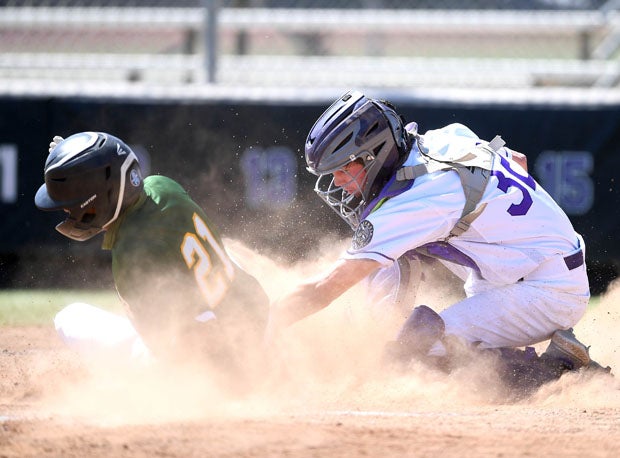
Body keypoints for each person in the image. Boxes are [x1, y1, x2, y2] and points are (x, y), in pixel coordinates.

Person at [266, 90, 608, 388]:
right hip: (532, 264)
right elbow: (516, 159)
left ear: (374, 156)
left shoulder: (417, 200)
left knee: (417, 356)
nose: (338, 183)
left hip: (547, 291)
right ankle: (495, 343)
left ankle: (564, 370)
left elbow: (326, 286)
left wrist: (271, 321)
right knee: (407, 262)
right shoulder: (442, 138)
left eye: (344, 169)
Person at [35, 132, 269, 380]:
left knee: (69, 317)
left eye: (73, 202)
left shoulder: (132, 252)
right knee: (217, 256)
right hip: (255, 314)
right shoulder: (161, 185)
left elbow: (171, 344)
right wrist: (75, 170)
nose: (68, 209)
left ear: (98, 199)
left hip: (217, 365)